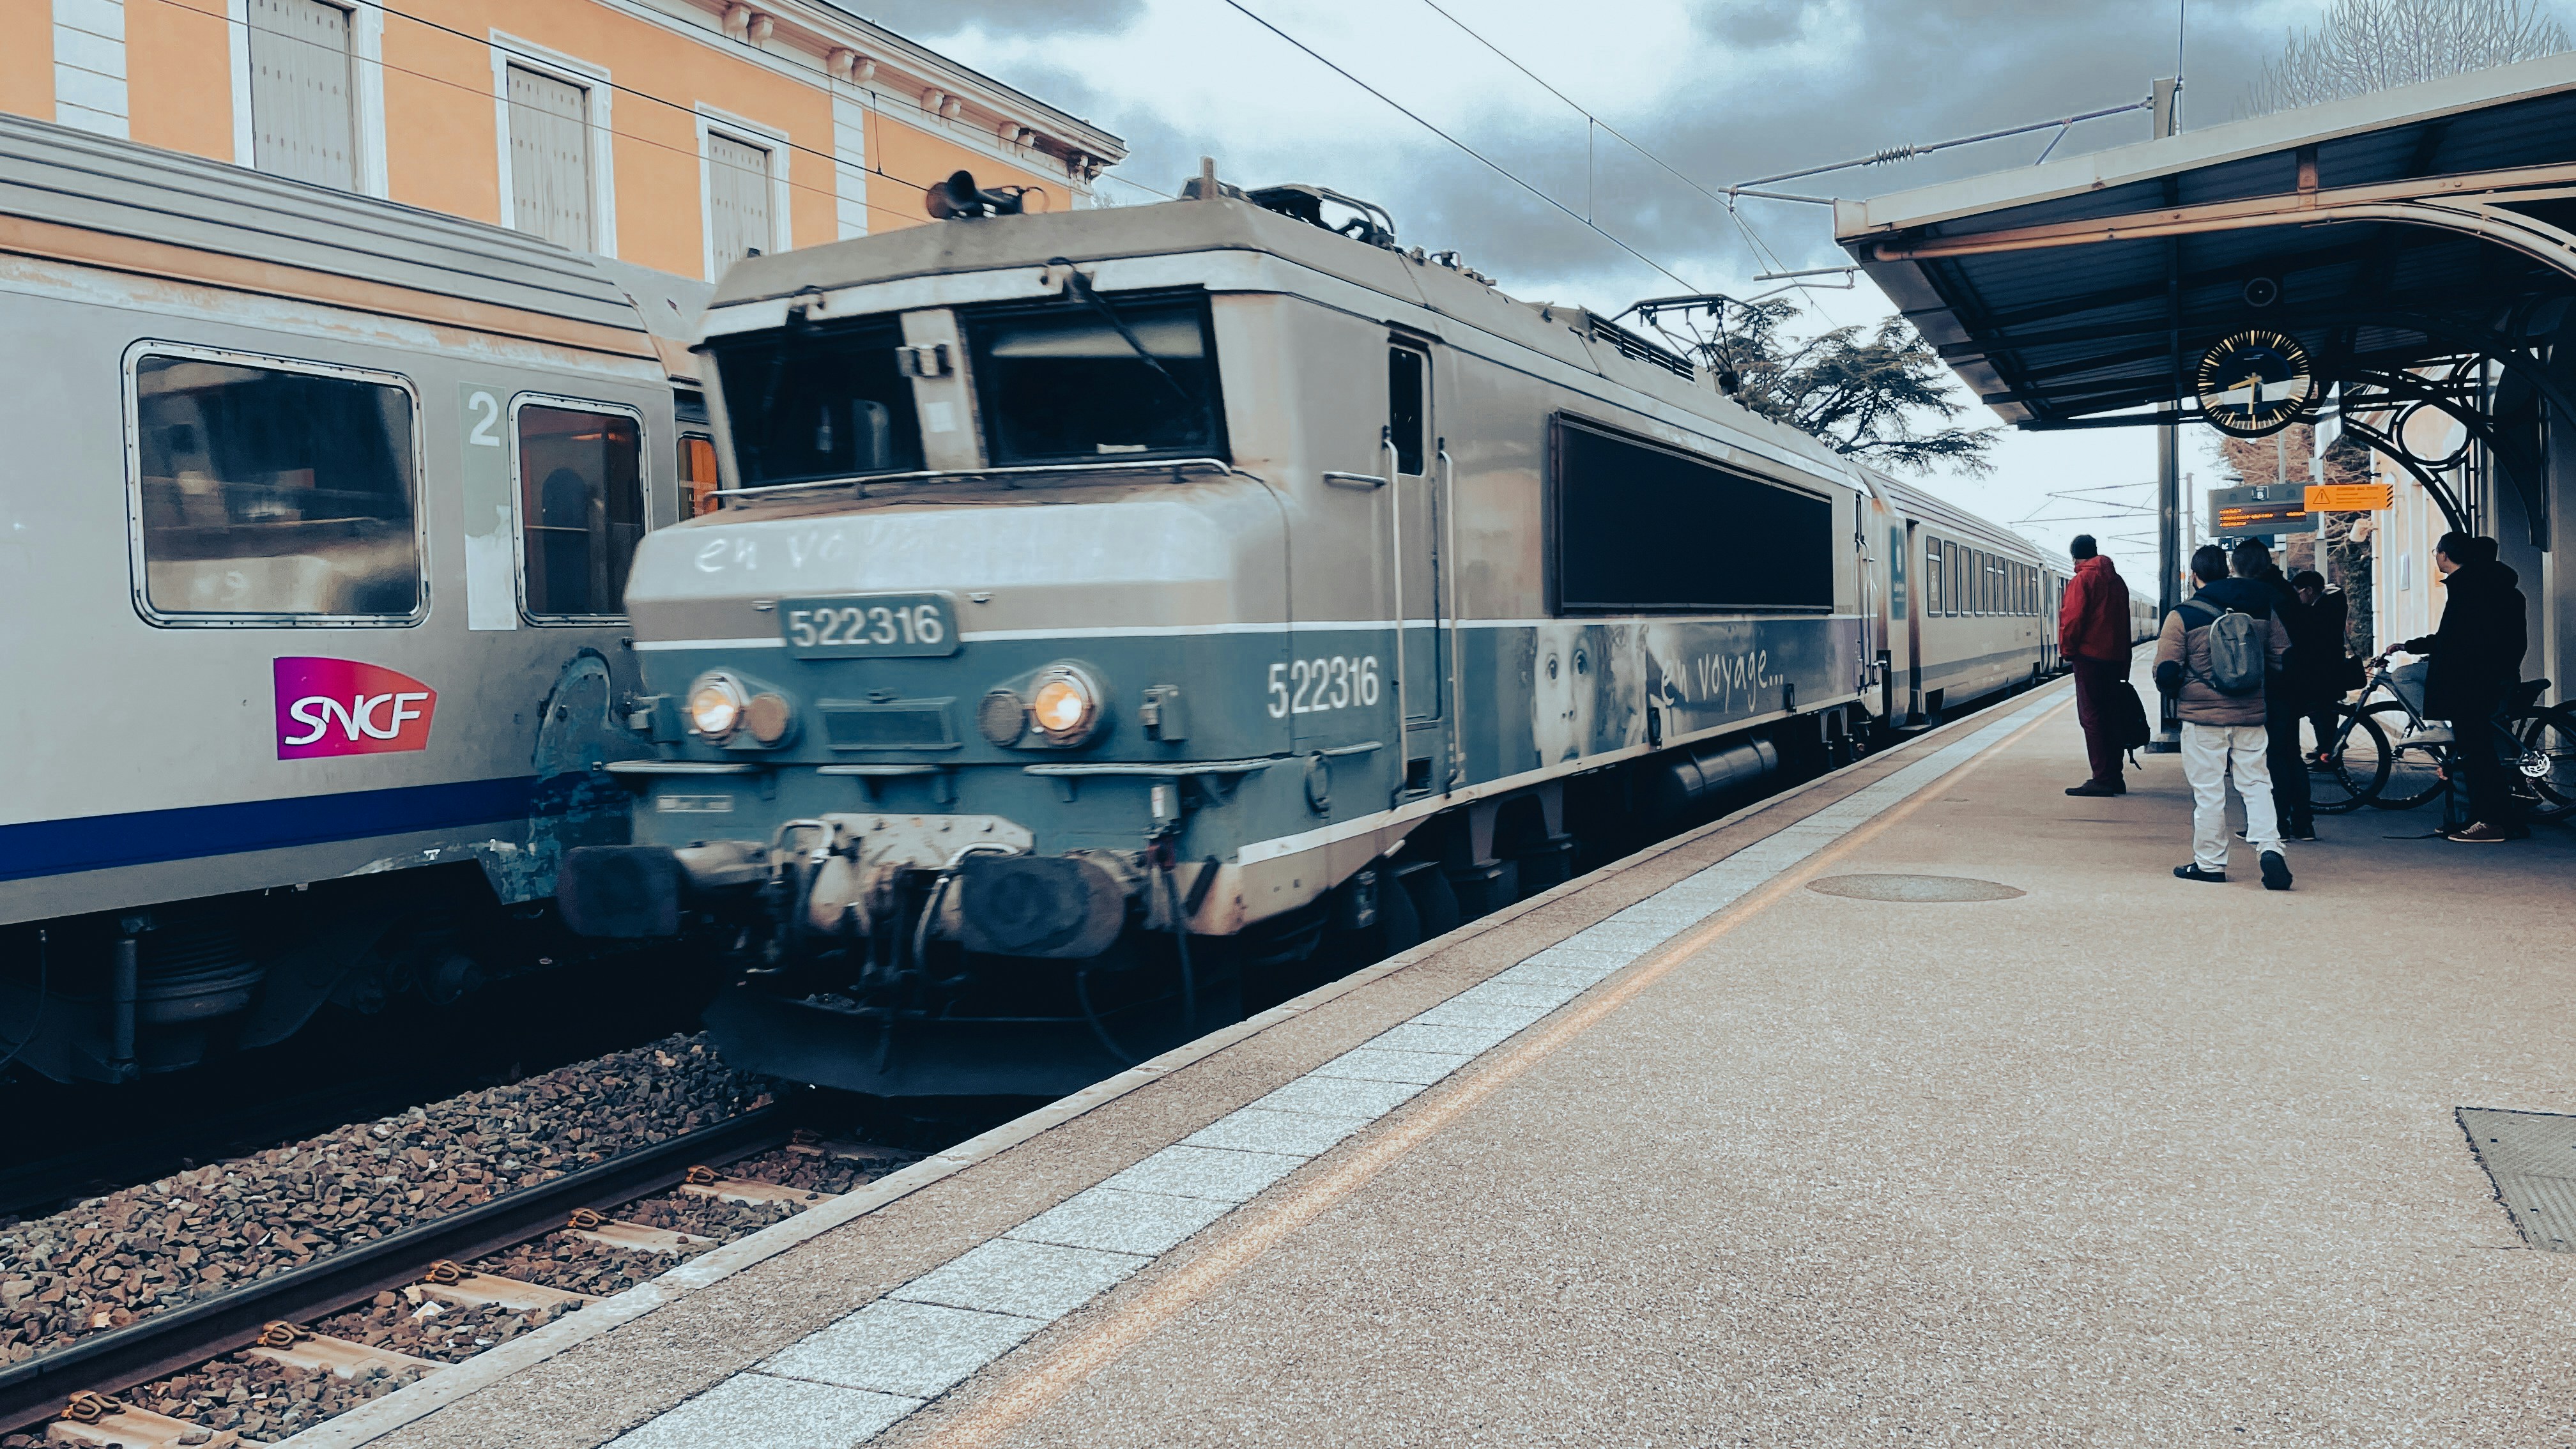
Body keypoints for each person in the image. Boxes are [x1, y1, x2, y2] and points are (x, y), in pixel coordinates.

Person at [2155, 543, 2294, 889]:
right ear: (2227, 569)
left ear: (2195, 575)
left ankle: (2211, 864)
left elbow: (2167, 671)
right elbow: (2284, 658)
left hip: (2203, 720)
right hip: (2250, 715)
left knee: (2209, 792)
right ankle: (2269, 848)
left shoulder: (2184, 614)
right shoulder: (2263, 607)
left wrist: (2181, 692)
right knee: (2258, 784)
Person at [2379, 532, 2529, 842]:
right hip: (2493, 678)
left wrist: (2425, 650)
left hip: (2471, 684)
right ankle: (2497, 820)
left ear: (2446, 555)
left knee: (2478, 754)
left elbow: (2457, 639)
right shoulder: (2501, 589)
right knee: (2481, 752)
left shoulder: (2469, 589)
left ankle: (2491, 822)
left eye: (2437, 552)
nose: (2436, 557)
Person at [2234, 540, 2315, 840]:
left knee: (2273, 757)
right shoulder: (2285, 591)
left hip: (2272, 683)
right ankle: (2304, 823)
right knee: (2291, 753)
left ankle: (2278, 823)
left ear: (2238, 566)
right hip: (2294, 681)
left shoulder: (2258, 596)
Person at [2057, 534, 2134, 797]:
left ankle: (2101, 778)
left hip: (2090, 659)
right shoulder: (2118, 582)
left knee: (2092, 718)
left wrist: (2067, 651)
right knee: (2112, 717)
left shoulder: (2083, 580)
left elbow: (2072, 619)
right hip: (2114, 659)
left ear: (2075, 556)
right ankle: (2115, 777)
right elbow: (2125, 623)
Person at [2292, 569, 2352, 764]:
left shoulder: (2324, 608)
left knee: (2322, 714)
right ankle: (2326, 749)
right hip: (2328, 668)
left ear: (2308, 590)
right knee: (2323, 714)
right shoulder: (2330, 604)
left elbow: (2316, 637)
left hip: (2325, 671)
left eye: (2297, 592)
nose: (2297, 598)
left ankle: (2330, 754)